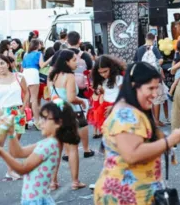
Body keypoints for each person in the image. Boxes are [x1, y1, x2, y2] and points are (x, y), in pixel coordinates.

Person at [94, 62, 180, 205]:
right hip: (126, 204)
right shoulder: (125, 113)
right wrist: (171, 141)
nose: (155, 94)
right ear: (134, 86)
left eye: (157, 88)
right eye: (150, 88)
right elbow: (131, 154)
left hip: (135, 200)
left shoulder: (132, 109)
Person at [0, 100, 80, 205]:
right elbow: (17, 152)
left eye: (45, 119)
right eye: (41, 118)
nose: (40, 123)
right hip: (34, 204)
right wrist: (11, 133)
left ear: (59, 123)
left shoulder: (49, 145)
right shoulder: (48, 143)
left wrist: (0, 152)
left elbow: (23, 168)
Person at [0, 55, 30, 183]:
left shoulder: (19, 77)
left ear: (8, 64)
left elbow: (27, 93)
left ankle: (10, 170)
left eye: (2, 63)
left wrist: (23, 108)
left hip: (18, 112)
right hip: (2, 114)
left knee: (14, 144)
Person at [48, 49, 89, 191]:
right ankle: (75, 181)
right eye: (73, 60)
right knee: (72, 149)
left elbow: (50, 96)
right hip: (67, 114)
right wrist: (82, 102)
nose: (76, 62)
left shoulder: (52, 75)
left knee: (56, 149)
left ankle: (53, 181)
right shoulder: (69, 76)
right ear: (66, 62)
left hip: (53, 115)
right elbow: (71, 98)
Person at [90, 55, 124, 137]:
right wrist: (99, 91)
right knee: (108, 132)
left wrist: (114, 106)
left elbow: (124, 94)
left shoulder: (118, 78)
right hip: (105, 105)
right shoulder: (102, 79)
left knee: (117, 131)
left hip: (117, 105)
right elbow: (107, 92)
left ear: (111, 68)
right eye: (100, 72)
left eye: (105, 71)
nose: (103, 74)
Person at [22, 39, 52, 129]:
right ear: (37, 45)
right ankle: (36, 120)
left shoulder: (26, 54)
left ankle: (27, 119)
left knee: (27, 97)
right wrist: (50, 59)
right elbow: (42, 65)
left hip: (25, 73)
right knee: (34, 98)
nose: (41, 45)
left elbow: (22, 66)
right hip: (33, 73)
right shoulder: (39, 54)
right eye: (40, 44)